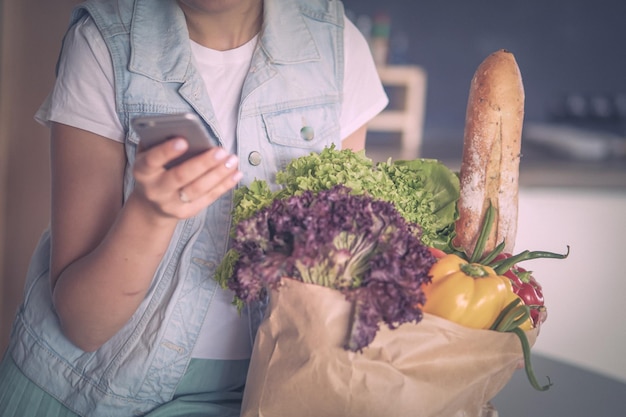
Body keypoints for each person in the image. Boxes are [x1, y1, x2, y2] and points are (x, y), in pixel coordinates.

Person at [0, 0, 388, 416]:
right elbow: (83, 324)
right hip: (94, 389)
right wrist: (150, 214)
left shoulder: (337, 46)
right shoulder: (102, 43)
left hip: (270, 391)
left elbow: (336, 276)